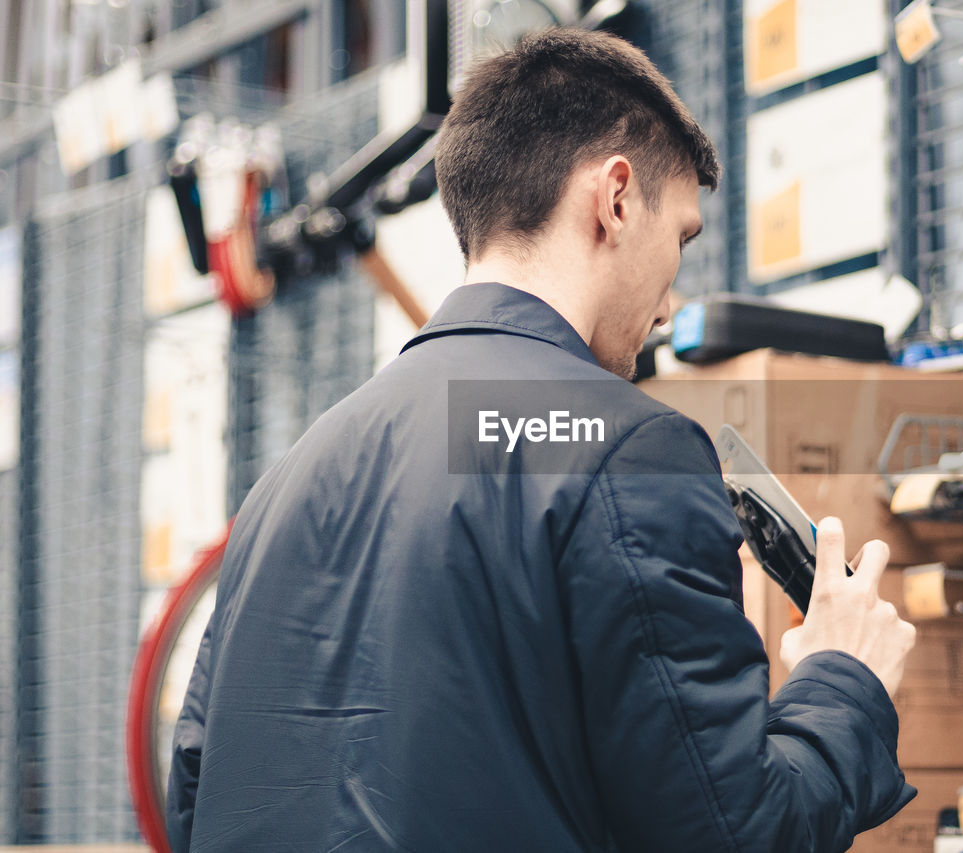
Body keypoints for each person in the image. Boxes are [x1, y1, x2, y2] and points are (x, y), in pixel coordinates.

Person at [167, 27, 918, 853]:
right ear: (617, 198)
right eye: (681, 239)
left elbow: (196, 792)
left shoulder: (294, 472)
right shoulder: (623, 448)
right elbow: (730, 832)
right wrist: (842, 679)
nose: (670, 305)